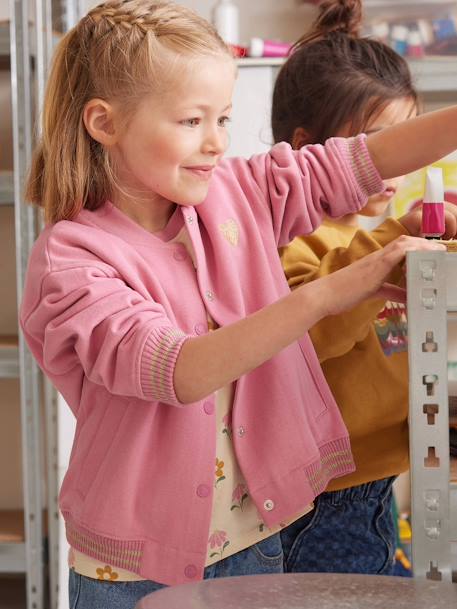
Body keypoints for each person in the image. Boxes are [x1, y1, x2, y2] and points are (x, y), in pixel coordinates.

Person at [18, 1, 457, 607]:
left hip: (256, 538)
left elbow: (363, 159)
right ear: (104, 122)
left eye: (222, 118)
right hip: (136, 566)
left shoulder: (234, 193)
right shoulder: (71, 262)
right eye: (192, 121)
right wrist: (334, 289)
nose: (216, 143)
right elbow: (182, 370)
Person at [273, 0, 444, 576]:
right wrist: (398, 241)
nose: (394, 169)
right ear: (305, 147)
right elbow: (312, 331)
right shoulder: (289, 244)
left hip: (376, 494)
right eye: (375, 145)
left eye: (407, 143)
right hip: (318, 509)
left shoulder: (372, 234)